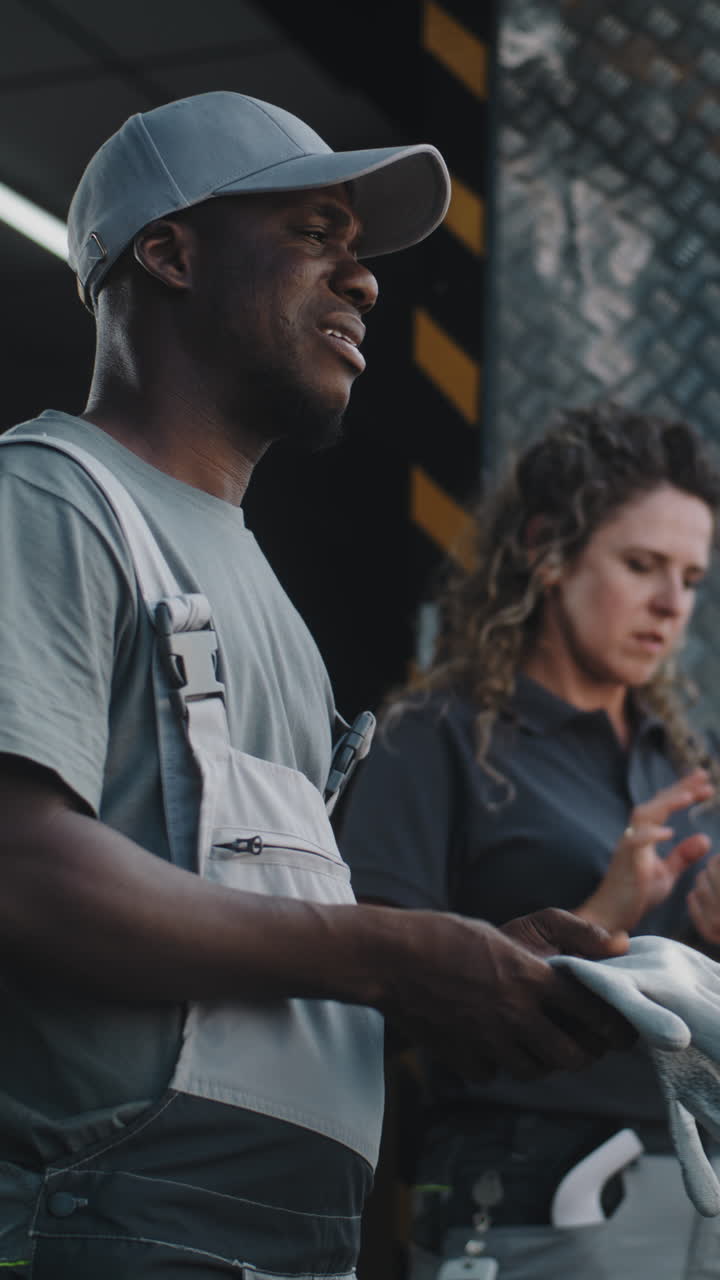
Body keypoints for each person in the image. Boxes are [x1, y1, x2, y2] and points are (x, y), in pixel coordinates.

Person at [0, 95, 631, 1280]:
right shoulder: (51, 502)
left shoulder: (271, 606)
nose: (367, 281)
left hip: (279, 1246)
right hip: (101, 1228)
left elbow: (263, 941)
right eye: (315, 232)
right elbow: (20, 867)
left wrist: (468, 963)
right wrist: (396, 955)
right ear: (171, 252)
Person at [338, 403, 720, 1280]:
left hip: (699, 1204)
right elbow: (360, 1000)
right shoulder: (435, 735)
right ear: (548, 550)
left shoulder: (687, 768)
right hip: (532, 1205)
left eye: (692, 578)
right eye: (642, 565)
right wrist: (595, 921)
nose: (671, 605)